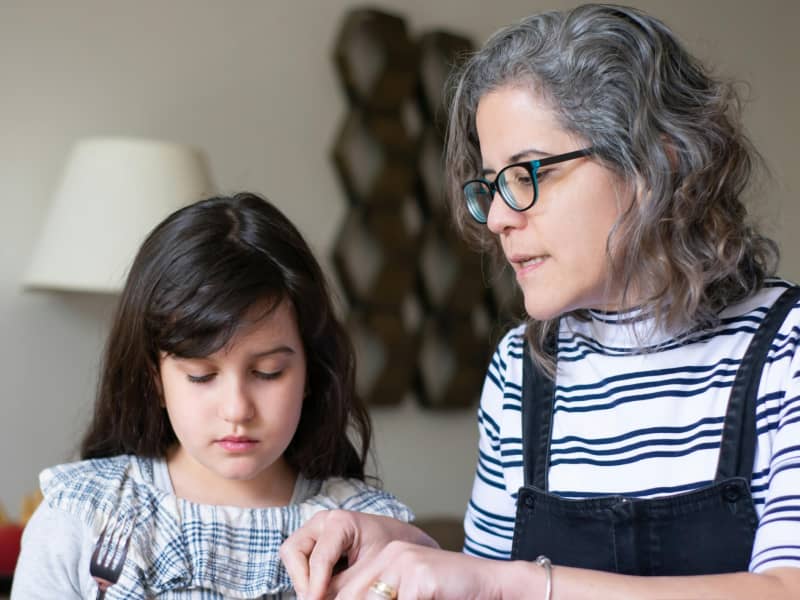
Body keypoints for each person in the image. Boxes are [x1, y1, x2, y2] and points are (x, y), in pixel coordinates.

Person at [279, 4, 800, 599]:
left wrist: (525, 584)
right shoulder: (519, 367)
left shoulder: (786, 352)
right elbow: (490, 577)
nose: (498, 217)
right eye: (492, 183)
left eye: (528, 172)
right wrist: (399, 547)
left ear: (659, 163)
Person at [11, 193, 413, 599]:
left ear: (310, 372)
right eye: (201, 376)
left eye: (267, 373)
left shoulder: (369, 531)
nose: (237, 409)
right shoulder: (82, 516)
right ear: (156, 378)